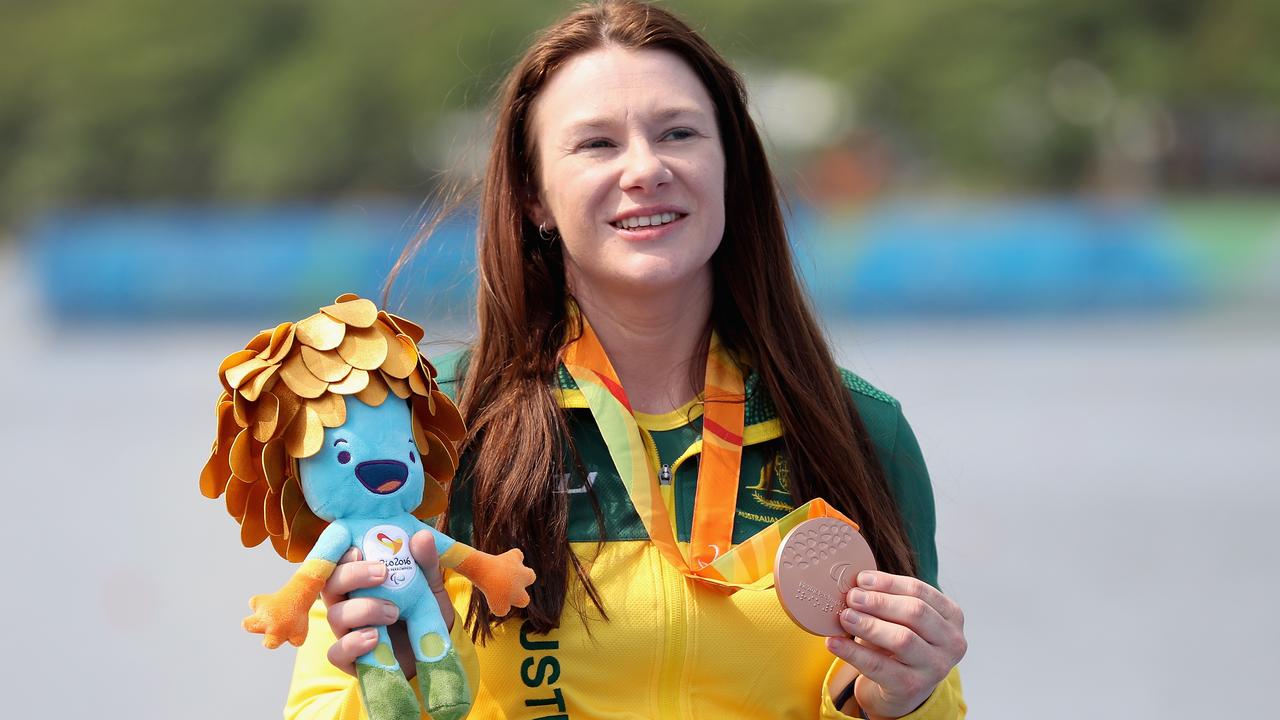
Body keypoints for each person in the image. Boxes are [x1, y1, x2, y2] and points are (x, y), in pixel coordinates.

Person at [287, 1, 967, 718]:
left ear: (730, 168)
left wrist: (893, 703)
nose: (646, 168)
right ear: (532, 196)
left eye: (678, 133)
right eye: (597, 145)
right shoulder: (428, 431)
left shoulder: (858, 429)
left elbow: (925, 700)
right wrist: (404, 689)